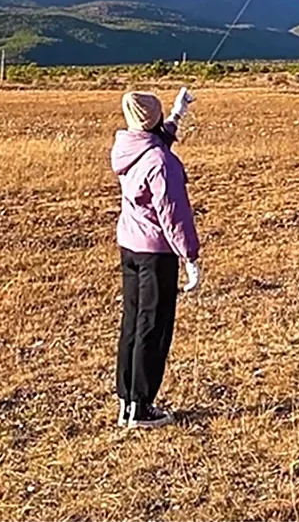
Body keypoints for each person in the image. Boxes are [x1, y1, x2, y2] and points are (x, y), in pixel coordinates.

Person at [111, 87, 200, 429]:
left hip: (130, 249)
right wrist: (189, 256)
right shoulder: (161, 163)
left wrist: (178, 114)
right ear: (155, 119)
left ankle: (127, 402)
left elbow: (155, 140)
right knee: (153, 326)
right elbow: (173, 215)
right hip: (156, 254)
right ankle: (142, 407)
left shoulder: (128, 147)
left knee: (133, 324)